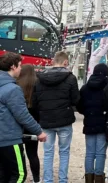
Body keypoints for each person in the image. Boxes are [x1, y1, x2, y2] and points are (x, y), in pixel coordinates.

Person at [33, 50, 79, 183]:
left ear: (53, 62)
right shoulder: (71, 78)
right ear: (65, 62)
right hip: (64, 120)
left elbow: (35, 101)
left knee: (48, 153)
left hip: (46, 121)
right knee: (64, 152)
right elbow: (75, 99)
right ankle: (62, 180)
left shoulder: (39, 78)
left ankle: (48, 180)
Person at [0, 53, 47, 183]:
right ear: (13, 67)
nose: (21, 69)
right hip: (10, 140)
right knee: (19, 175)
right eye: (19, 65)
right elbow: (22, 115)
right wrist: (39, 131)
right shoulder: (12, 89)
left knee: (3, 175)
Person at [77, 63, 108, 183]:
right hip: (103, 122)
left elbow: (79, 105)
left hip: (89, 122)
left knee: (90, 153)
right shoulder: (107, 87)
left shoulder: (85, 87)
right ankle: (99, 177)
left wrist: (87, 112)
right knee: (101, 153)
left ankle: (89, 178)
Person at [17, 64, 42, 183]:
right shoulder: (38, 85)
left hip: (18, 125)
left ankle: (20, 175)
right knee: (33, 154)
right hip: (33, 124)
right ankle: (36, 179)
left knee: (18, 153)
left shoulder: (16, 85)